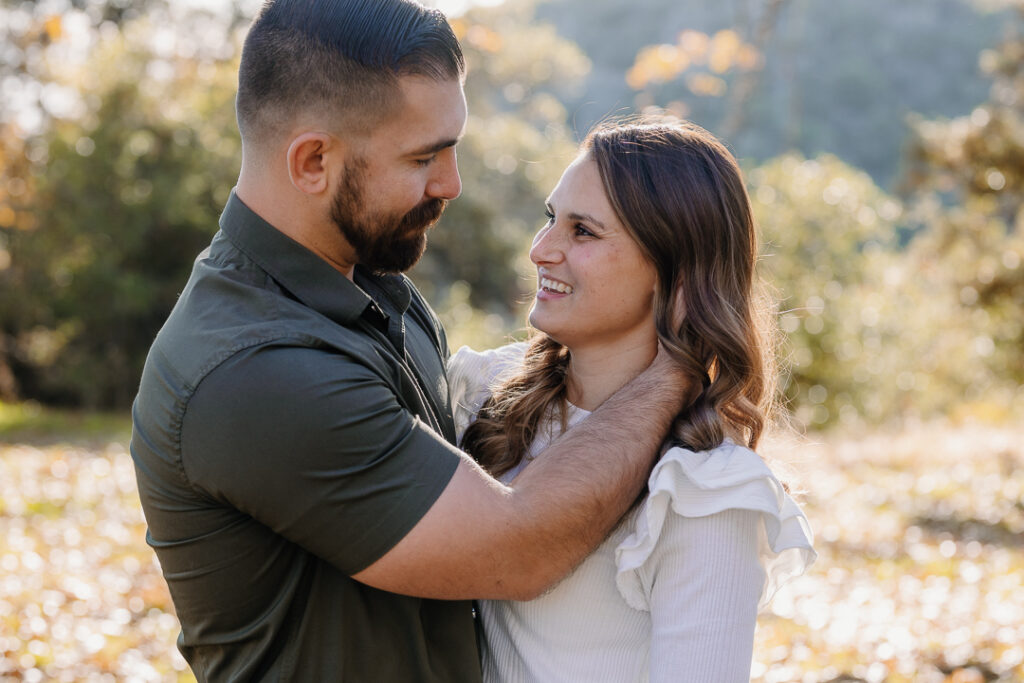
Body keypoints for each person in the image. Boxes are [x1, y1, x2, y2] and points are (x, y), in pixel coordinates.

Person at [129, 1, 691, 681]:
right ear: (312, 161)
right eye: (424, 156)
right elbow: (519, 547)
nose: (451, 183)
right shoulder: (255, 370)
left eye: (451, 147)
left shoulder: (373, 281)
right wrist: (675, 369)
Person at [448, 117, 817, 682]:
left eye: (583, 232)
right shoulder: (481, 393)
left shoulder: (703, 492)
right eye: (551, 219)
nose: (541, 250)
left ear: (672, 269)